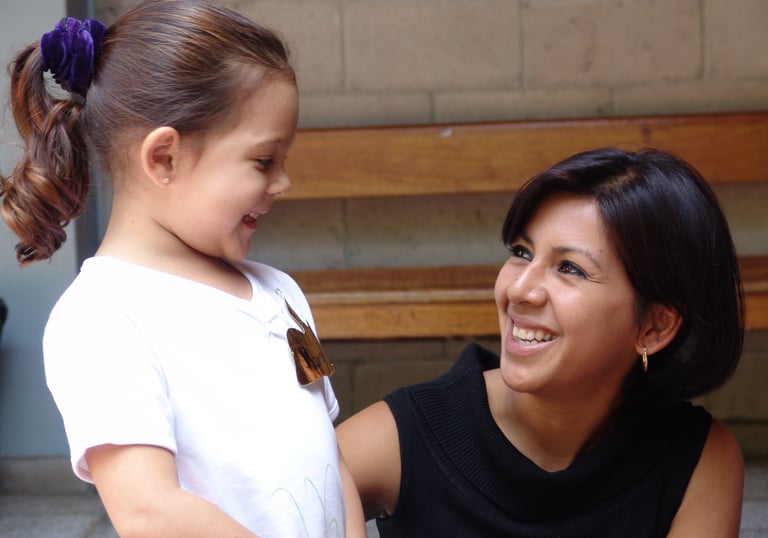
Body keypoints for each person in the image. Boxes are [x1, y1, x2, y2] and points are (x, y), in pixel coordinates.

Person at [0, 1, 365, 536]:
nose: (283, 183)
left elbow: (329, 458)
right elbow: (151, 511)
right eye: (265, 161)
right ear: (164, 158)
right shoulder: (101, 320)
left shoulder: (280, 294)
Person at [337, 147, 745, 537]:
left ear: (655, 328)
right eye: (521, 251)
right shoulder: (407, 432)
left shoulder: (698, 459)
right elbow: (279, 489)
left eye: (570, 268)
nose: (519, 289)